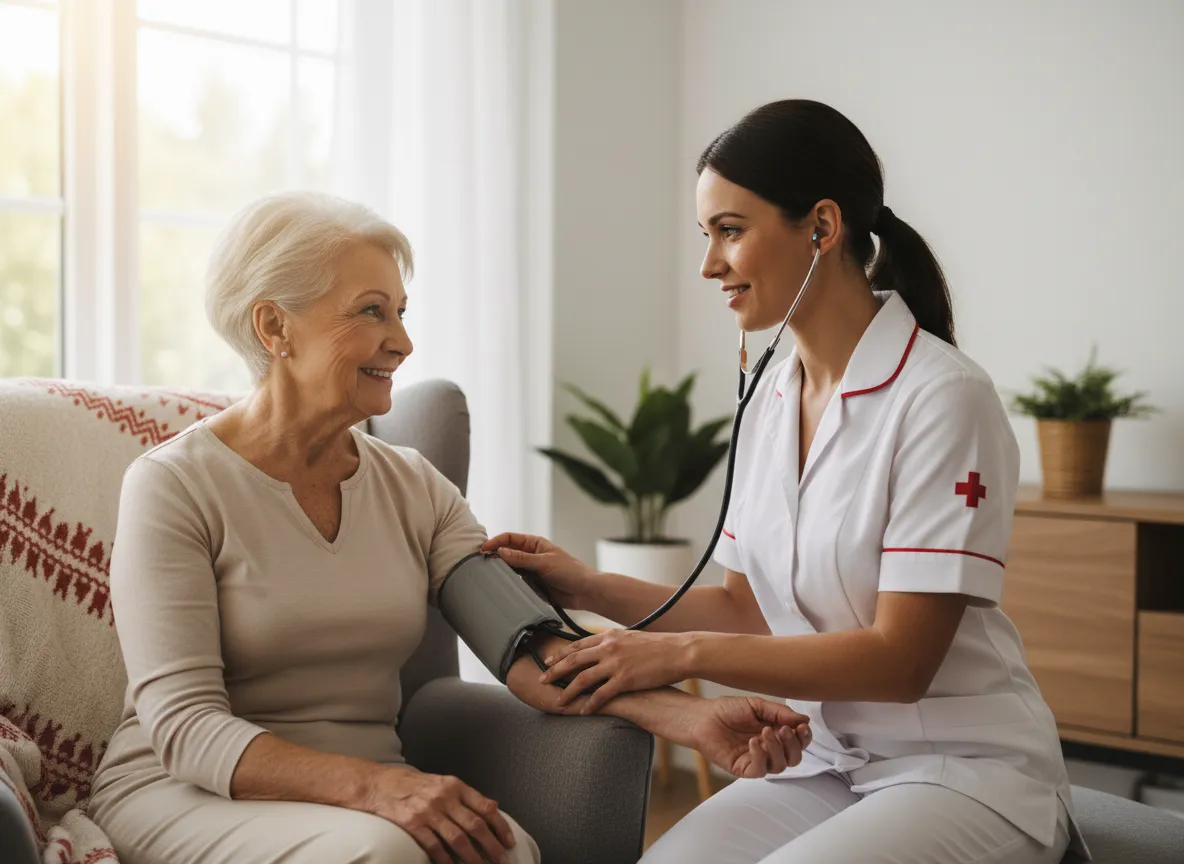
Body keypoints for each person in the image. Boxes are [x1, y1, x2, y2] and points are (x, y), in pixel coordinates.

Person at [87, 191, 812, 864]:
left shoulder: (413, 486)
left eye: (401, 312)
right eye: (371, 312)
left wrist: (687, 720)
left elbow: (531, 648)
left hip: (367, 796)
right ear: (275, 326)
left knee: (506, 851)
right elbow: (184, 728)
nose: (402, 342)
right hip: (192, 790)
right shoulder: (174, 486)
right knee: (389, 855)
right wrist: (377, 788)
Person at [485, 100, 1090, 864]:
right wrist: (587, 586)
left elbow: (901, 661)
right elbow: (748, 607)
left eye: (730, 231)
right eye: (706, 235)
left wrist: (680, 656)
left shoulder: (944, 398)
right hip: (827, 761)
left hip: (963, 769)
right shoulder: (774, 394)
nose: (709, 265)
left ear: (822, 227)